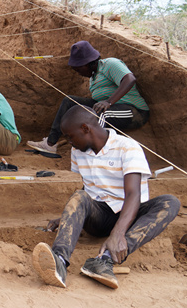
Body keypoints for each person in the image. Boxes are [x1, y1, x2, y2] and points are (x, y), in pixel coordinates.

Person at [32, 106, 179, 289]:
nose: (69, 142)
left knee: (170, 202)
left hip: (129, 215)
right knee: (80, 196)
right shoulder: (78, 151)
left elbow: (133, 193)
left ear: (86, 128)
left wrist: (118, 233)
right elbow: (87, 190)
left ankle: (104, 260)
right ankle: (59, 261)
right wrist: (71, 217)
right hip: (100, 217)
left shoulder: (127, 147)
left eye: (70, 137)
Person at [27, 40, 150, 155]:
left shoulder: (110, 64)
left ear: (88, 64)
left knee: (100, 116)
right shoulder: (93, 78)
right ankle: (50, 143)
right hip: (109, 108)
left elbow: (130, 79)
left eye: (79, 69)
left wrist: (108, 102)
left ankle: (96, 153)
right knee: (70, 101)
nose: (79, 73)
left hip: (133, 111)